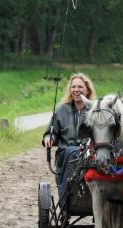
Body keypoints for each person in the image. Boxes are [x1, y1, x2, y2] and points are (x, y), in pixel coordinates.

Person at [41, 73, 97, 208]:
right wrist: (48, 137)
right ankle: (65, 204)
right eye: (73, 87)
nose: (76, 90)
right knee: (73, 153)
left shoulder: (95, 109)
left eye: (80, 87)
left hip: (90, 153)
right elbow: (51, 132)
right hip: (66, 153)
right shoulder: (61, 110)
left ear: (87, 90)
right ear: (70, 90)